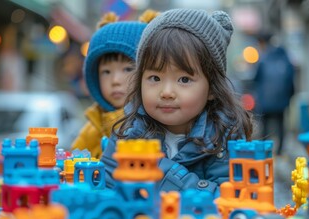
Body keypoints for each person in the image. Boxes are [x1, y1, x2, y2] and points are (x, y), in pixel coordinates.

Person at [101, 9, 253, 196]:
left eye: (184, 80)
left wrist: (158, 169)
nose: (166, 92)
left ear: (212, 89)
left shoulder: (223, 136)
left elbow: (230, 200)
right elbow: (104, 189)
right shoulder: (129, 131)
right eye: (155, 78)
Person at [71, 11, 159, 158]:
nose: (115, 80)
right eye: (106, 72)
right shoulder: (93, 126)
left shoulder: (156, 123)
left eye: (128, 69)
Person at [252, 32, 295, 156]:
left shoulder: (263, 58)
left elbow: (256, 78)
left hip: (265, 100)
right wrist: (290, 96)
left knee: (265, 125)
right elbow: (290, 79)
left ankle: (265, 151)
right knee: (280, 124)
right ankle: (280, 151)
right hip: (281, 100)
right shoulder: (284, 55)